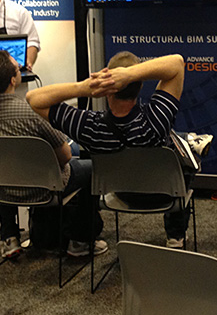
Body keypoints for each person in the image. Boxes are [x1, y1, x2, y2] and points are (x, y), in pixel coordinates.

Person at [26, 52, 189, 246]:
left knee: (85, 169)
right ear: (140, 86)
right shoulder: (156, 120)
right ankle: (176, 236)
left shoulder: (89, 127)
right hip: (163, 195)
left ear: (107, 91)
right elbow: (177, 63)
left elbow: (33, 98)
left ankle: (82, 240)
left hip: (119, 193)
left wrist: (83, 88)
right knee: (183, 159)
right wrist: (129, 75)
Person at [0, 50, 106, 258]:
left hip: (4, 191)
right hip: (46, 188)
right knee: (94, 168)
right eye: (17, 68)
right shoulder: (34, 113)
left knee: (1, 169)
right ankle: (80, 240)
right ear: (13, 80)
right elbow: (65, 156)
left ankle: (9, 238)